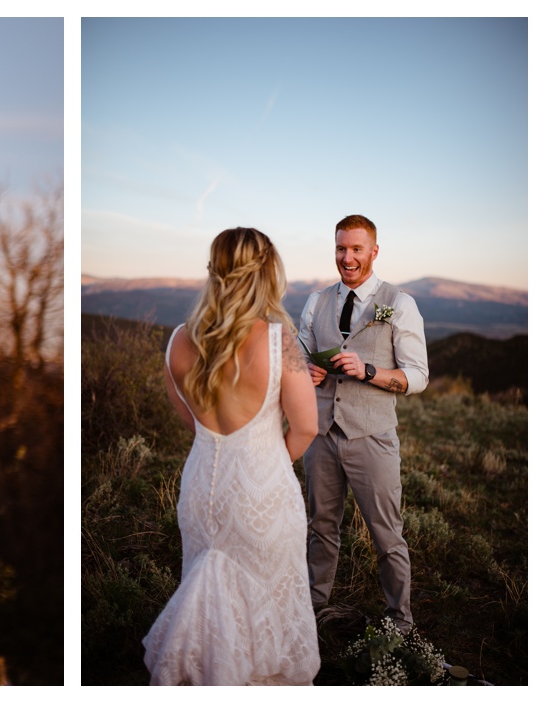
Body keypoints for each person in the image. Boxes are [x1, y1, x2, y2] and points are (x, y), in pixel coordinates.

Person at [143, 227, 320, 685]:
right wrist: (269, 462)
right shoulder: (281, 343)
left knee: (211, 611)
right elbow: (306, 427)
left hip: (202, 490)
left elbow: (192, 421)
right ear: (266, 274)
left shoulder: (179, 340)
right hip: (262, 496)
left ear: (214, 271)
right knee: (271, 612)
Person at [300, 215, 427, 632]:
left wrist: (369, 371)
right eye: (341, 248)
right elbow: (298, 358)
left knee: (387, 536)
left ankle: (400, 622)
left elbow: (418, 377)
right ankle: (312, 609)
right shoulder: (316, 301)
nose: (347, 258)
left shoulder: (400, 303)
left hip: (372, 436)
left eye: (356, 249)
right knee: (320, 528)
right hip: (319, 434)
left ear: (374, 250)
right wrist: (306, 372)